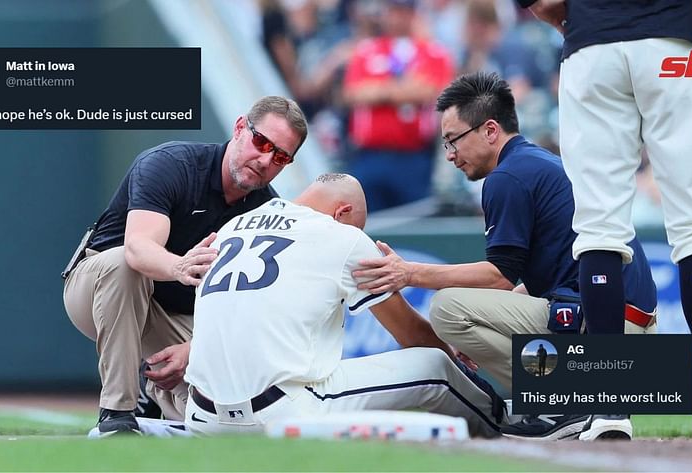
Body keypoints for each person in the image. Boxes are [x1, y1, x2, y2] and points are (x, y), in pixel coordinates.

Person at [352, 72, 657, 441]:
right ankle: (568, 398)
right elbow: (548, 273)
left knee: (448, 309)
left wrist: (408, 273)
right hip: (637, 347)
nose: (449, 155)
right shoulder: (535, 163)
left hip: (612, 336)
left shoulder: (508, 177)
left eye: (453, 141)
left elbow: (499, 276)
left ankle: (569, 401)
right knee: (466, 313)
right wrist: (476, 331)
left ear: (491, 130)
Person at [521, 0, 692, 441]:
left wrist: (557, 13)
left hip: (592, 49)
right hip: (672, 41)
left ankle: (608, 404)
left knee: (598, 227)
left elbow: (542, 2)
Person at [182, 174, 507, 438]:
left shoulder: (232, 227)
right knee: (436, 366)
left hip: (200, 416)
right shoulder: (340, 235)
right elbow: (413, 336)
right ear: (342, 213)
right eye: (358, 226)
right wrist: (454, 358)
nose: (358, 234)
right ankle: (503, 425)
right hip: (280, 412)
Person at [62, 96, 308, 436]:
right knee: (123, 264)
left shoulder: (267, 211)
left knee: (223, 413)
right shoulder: (171, 164)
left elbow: (250, 309)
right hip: (97, 291)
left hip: (176, 317)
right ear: (239, 128)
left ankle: (160, 401)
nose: (266, 159)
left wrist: (193, 352)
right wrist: (179, 267)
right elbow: (137, 248)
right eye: (261, 142)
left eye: (280, 156)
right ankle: (117, 413)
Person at [341, 0, 454, 211]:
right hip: (370, 154)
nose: (396, 17)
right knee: (364, 220)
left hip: (413, 156)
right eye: (392, 10)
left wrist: (379, 91)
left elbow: (433, 91)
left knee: (413, 224)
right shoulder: (367, 50)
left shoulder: (432, 51)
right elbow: (353, 93)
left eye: (403, 11)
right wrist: (402, 90)